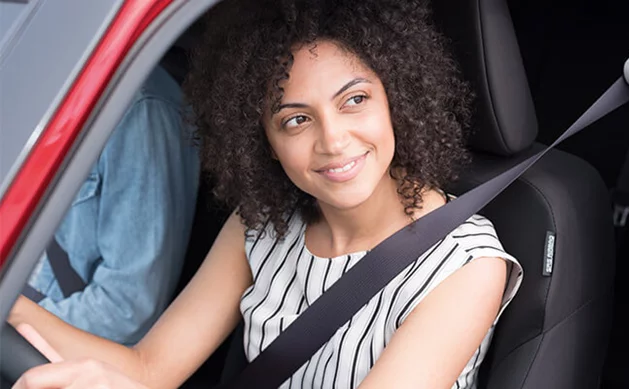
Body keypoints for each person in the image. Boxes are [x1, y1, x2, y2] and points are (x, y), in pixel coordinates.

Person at [9, 0, 523, 388]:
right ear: (266, 143)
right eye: (296, 119)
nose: (333, 140)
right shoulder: (263, 223)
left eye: (355, 100)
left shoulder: (465, 265)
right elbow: (148, 369)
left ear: (398, 100)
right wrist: (10, 302)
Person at [21, 65, 201, 345]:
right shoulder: (41, 82)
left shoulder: (140, 110)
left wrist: (16, 319)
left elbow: (126, 307)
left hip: (51, 349)